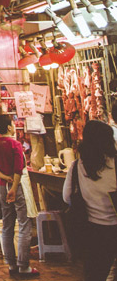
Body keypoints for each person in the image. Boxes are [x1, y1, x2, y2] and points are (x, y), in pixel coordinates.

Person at [63, 120, 116, 281]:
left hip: (92, 231)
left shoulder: (77, 166)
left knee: (95, 275)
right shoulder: (114, 164)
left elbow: (66, 197)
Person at [0, 114, 39, 277]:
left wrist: (5, 179)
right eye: (12, 123)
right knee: (25, 224)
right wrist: (14, 185)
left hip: (3, 186)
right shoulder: (15, 144)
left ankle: (11, 265)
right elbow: (18, 169)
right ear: (9, 127)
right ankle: (24, 266)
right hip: (16, 187)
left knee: (7, 225)